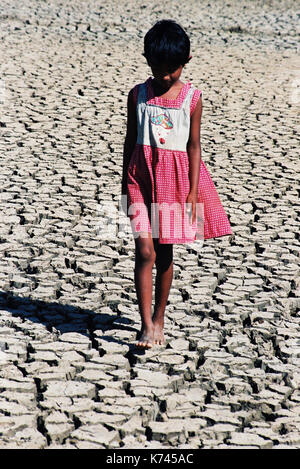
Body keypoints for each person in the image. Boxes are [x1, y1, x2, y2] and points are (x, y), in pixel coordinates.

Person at [121, 19, 232, 349]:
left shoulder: (192, 99)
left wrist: (193, 190)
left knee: (165, 253)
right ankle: (144, 326)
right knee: (145, 250)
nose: (166, 76)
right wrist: (123, 183)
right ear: (146, 60)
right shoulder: (138, 94)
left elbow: (194, 146)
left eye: (173, 69)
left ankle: (159, 318)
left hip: (174, 183)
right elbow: (130, 140)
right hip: (139, 179)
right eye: (158, 68)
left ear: (187, 63)